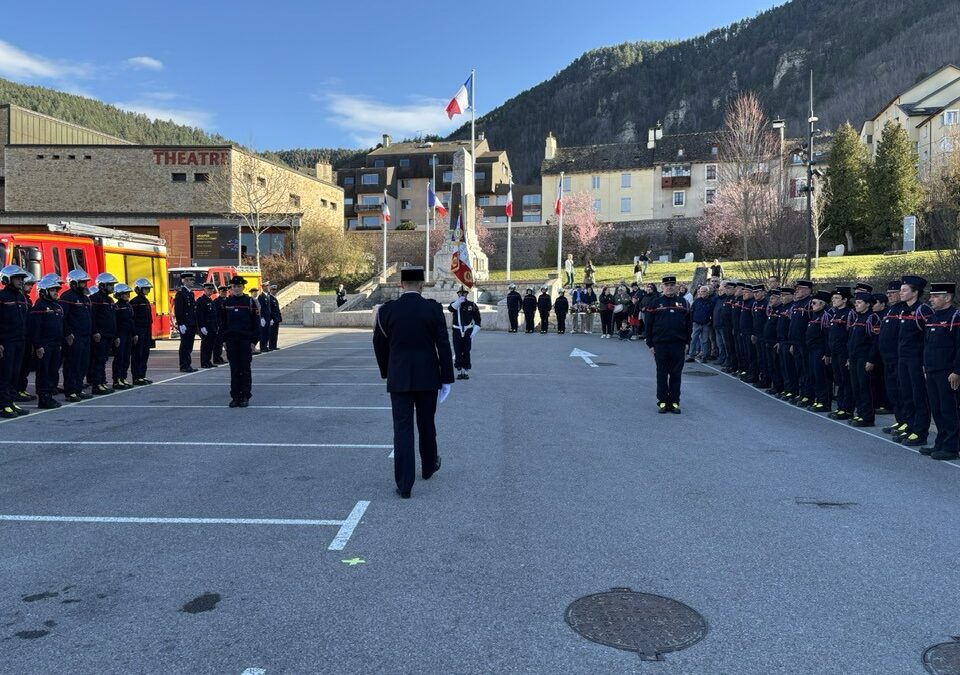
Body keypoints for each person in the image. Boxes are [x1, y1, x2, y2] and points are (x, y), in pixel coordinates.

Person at [373, 266, 454, 499]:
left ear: (401, 285)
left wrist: (387, 372)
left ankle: (404, 484)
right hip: (428, 377)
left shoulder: (387, 311)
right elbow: (443, 345)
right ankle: (428, 466)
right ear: (422, 285)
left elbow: (379, 345)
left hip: (399, 377)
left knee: (402, 429)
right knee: (427, 423)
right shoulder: (433, 309)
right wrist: (447, 378)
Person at [921, 282, 960, 460]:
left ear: (948, 297)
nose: (931, 299)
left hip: (948, 372)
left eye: (936, 296)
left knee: (948, 409)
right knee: (937, 409)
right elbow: (927, 345)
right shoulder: (932, 318)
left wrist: (957, 371)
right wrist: (925, 365)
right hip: (932, 370)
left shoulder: (955, 317)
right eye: (931, 296)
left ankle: (951, 447)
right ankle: (940, 443)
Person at [895, 275, 933, 446]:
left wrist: (925, 362)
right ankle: (910, 427)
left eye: (904, 290)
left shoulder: (923, 310)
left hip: (916, 360)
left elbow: (929, 338)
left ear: (915, 292)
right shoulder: (904, 310)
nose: (901, 293)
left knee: (919, 396)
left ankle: (920, 432)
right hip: (903, 358)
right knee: (906, 394)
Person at [646, 275, 692, 414]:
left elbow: (689, 325)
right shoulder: (655, 303)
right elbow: (648, 325)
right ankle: (662, 401)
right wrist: (650, 344)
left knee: (676, 374)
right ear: (662, 287)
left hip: (678, 344)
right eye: (667, 285)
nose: (669, 287)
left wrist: (687, 342)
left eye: (672, 285)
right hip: (660, 345)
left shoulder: (684, 303)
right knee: (662, 374)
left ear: (676, 286)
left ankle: (674, 402)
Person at [222, 275, 259, 408]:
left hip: (245, 340)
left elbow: (256, 323)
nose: (236, 289)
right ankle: (235, 396)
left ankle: (245, 396)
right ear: (231, 288)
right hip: (231, 340)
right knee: (234, 369)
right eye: (234, 286)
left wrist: (254, 341)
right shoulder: (226, 302)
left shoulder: (250, 302)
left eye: (238, 286)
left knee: (245, 369)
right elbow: (222, 323)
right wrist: (223, 340)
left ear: (243, 287)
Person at [28, 274, 64, 409]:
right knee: (44, 372)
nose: (56, 292)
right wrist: (38, 346)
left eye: (56, 290)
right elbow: (35, 329)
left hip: (55, 344)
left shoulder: (56, 306)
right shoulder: (39, 307)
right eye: (52, 290)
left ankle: (49, 396)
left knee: (52, 371)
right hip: (45, 345)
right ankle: (43, 398)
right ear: (44, 291)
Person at [846, 290, 881, 427]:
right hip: (854, 357)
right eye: (856, 302)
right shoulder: (856, 318)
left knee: (865, 387)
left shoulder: (872, 318)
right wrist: (849, 357)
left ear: (867, 304)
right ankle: (860, 413)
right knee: (856, 387)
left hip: (864, 358)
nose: (856, 305)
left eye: (859, 302)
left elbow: (875, 341)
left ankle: (867, 416)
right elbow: (851, 339)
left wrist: (871, 359)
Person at [0, 265, 31, 418]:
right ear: (8, 279)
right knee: (4, 374)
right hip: (6, 342)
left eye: (21, 278)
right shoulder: (2, 297)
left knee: (15, 374)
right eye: (17, 278)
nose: (20, 281)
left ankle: (11, 402)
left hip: (20, 341)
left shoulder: (21, 297)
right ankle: (3, 405)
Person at [60, 269, 94, 402]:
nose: (85, 285)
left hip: (85, 336)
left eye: (85, 282)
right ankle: (70, 391)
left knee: (83, 364)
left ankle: (78, 389)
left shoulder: (85, 298)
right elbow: (63, 317)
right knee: (72, 365)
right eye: (82, 282)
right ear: (74, 283)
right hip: (74, 337)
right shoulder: (67, 297)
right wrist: (68, 333)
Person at [879, 280, 905, 436]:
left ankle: (907, 422)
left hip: (898, 358)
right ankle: (900, 419)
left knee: (902, 392)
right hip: (887, 358)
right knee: (893, 392)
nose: (889, 296)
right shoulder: (890, 310)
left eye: (893, 293)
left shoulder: (903, 310)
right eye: (888, 293)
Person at [88, 272, 119, 395]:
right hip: (100, 335)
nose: (112, 287)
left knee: (103, 360)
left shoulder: (109, 299)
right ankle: (97, 384)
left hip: (108, 335)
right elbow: (92, 317)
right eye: (110, 285)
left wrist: (115, 335)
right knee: (98, 360)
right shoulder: (95, 299)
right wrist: (95, 331)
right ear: (102, 285)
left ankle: (102, 382)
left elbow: (113, 318)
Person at [826, 287, 854, 420]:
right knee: (838, 380)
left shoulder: (849, 314)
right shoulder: (834, 313)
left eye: (837, 298)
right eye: (833, 298)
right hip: (835, 351)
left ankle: (847, 409)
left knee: (845, 380)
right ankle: (841, 406)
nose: (834, 300)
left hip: (844, 351)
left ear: (845, 300)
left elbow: (850, 335)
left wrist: (849, 356)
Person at [805, 290, 832, 412]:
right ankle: (818, 399)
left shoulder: (825, 316)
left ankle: (824, 402)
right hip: (812, 350)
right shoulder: (815, 315)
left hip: (820, 350)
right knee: (814, 375)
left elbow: (827, 336)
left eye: (814, 303)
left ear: (822, 303)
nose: (812, 305)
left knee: (822, 376)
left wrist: (827, 353)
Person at [788, 280, 813, 407]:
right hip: (796, 342)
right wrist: (792, 342)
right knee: (799, 369)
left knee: (806, 370)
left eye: (800, 288)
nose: (797, 290)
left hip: (805, 343)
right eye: (796, 288)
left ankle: (808, 395)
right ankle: (802, 392)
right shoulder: (797, 304)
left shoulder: (810, 304)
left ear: (808, 290)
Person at [448, 287, 481, 380]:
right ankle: (459, 371)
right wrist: (458, 302)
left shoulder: (472, 305)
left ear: (467, 294)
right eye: (460, 293)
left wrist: (474, 332)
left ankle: (466, 371)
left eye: (464, 293)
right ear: (457, 294)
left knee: (466, 352)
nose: (462, 295)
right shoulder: (454, 304)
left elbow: (478, 320)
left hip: (468, 331)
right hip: (457, 331)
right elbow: (450, 309)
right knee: (458, 351)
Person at [14, 273, 37, 402]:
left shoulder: (26, 299)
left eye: (31, 284)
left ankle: (21, 389)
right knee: (18, 366)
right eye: (28, 284)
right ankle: (16, 390)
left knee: (25, 366)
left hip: (26, 336)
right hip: (18, 337)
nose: (31, 286)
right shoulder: (20, 298)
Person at [130, 278, 155, 385]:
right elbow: (132, 319)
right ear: (139, 289)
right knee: (137, 354)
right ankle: (136, 377)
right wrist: (134, 333)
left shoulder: (145, 300)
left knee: (145, 353)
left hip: (146, 330)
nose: (147, 290)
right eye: (145, 288)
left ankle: (142, 375)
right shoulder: (135, 302)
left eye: (148, 288)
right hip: (139, 330)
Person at [111, 283, 136, 390]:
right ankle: (117, 380)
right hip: (120, 335)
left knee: (126, 357)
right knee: (119, 358)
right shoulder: (116, 307)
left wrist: (134, 334)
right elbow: (114, 322)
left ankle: (123, 377)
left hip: (128, 334)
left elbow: (131, 321)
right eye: (125, 294)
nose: (127, 295)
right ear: (119, 295)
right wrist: (116, 336)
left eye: (128, 293)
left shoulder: (129, 306)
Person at [174, 272, 198, 372]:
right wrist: (181, 323)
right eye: (190, 280)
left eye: (192, 280)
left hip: (191, 322)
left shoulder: (190, 293)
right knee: (185, 345)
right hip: (185, 323)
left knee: (189, 345)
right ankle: (184, 365)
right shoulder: (181, 293)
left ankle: (188, 364)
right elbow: (179, 310)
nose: (192, 282)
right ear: (185, 281)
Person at [196, 282, 220, 369]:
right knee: (205, 345)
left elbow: (214, 315)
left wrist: (216, 326)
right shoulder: (201, 300)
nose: (210, 291)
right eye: (208, 289)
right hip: (206, 326)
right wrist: (202, 326)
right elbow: (199, 315)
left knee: (210, 345)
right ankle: (204, 362)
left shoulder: (210, 300)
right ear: (204, 290)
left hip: (212, 326)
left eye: (211, 289)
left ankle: (208, 361)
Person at [212, 285, 228, 365]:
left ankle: (222, 357)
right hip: (220, 324)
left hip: (227, 324)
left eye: (225, 292)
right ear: (219, 292)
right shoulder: (216, 301)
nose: (224, 293)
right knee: (218, 343)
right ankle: (217, 358)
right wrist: (217, 325)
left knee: (226, 342)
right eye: (222, 292)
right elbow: (215, 315)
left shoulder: (228, 300)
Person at [258, 282, 273, 353]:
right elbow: (260, 308)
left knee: (267, 332)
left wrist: (271, 318)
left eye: (268, 286)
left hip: (268, 317)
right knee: (263, 333)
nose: (267, 287)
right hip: (264, 318)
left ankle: (266, 346)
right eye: (266, 286)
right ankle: (262, 347)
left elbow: (269, 308)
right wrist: (261, 318)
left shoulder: (268, 296)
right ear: (263, 287)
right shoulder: (261, 296)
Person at [269, 284, 282, 350]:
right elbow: (270, 309)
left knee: (275, 333)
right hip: (273, 319)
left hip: (276, 319)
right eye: (273, 290)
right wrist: (271, 318)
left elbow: (277, 309)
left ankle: (274, 345)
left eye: (275, 290)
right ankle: (271, 346)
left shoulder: (274, 298)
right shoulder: (270, 298)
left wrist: (279, 318)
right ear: (270, 290)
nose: (274, 291)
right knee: (272, 333)